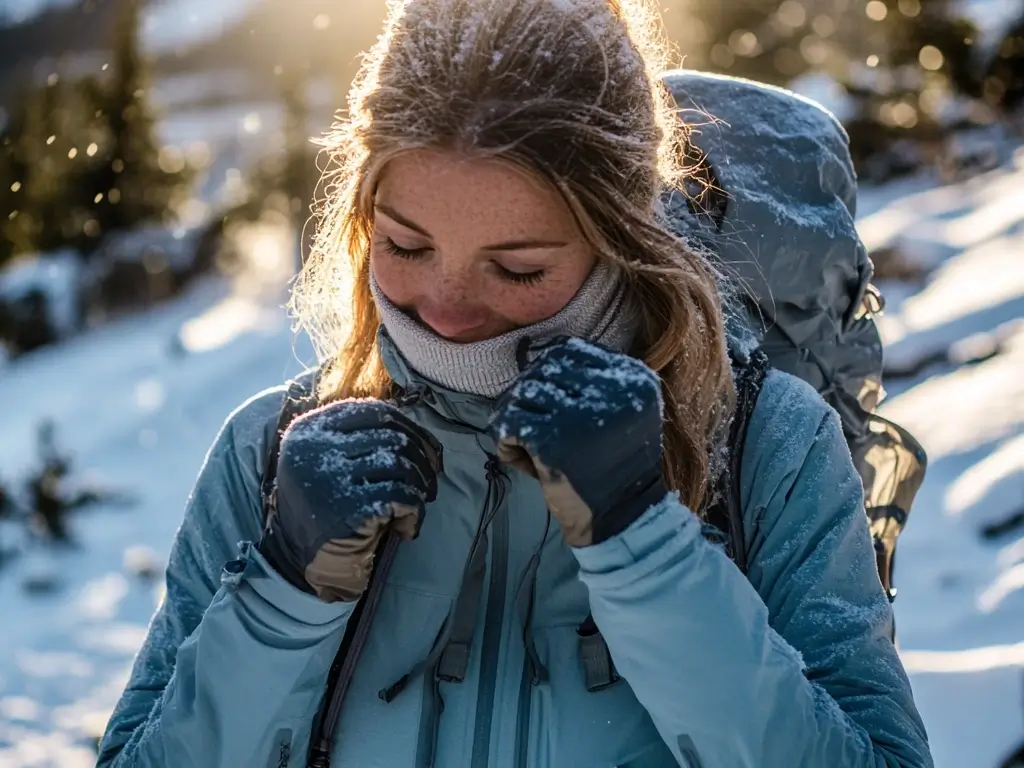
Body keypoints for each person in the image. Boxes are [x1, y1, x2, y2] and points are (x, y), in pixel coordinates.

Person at [97, 0, 933, 766]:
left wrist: (647, 550)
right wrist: (279, 597)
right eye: (407, 247)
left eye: (518, 267)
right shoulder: (271, 451)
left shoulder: (764, 444)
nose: (447, 313)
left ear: (624, 240)